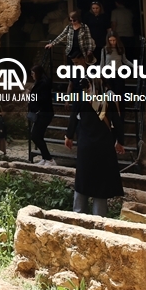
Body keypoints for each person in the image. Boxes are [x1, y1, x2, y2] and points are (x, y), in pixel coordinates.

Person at [65, 79, 125, 216]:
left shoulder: (81, 98)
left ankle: (78, 215)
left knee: (82, 180)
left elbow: (73, 118)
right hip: (104, 147)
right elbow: (117, 122)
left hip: (86, 146)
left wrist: (69, 137)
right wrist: (119, 142)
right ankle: (99, 219)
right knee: (101, 184)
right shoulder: (109, 99)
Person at [27, 65, 54, 165]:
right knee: (38, 136)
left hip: (44, 113)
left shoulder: (44, 84)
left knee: (35, 136)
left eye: (33, 73)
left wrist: (31, 95)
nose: (32, 75)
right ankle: (45, 158)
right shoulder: (39, 83)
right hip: (41, 113)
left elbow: (43, 98)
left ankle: (49, 159)